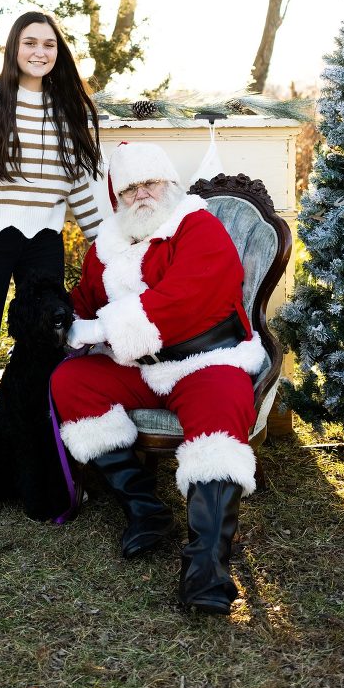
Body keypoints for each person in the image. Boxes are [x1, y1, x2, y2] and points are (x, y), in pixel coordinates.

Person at [51, 141, 267, 615]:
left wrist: (107, 327)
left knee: (218, 425)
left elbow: (188, 297)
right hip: (140, 369)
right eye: (129, 188)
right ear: (117, 198)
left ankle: (207, 567)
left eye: (149, 183)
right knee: (72, 383)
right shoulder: (106, 246)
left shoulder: (198, 226)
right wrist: (60, 315)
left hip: (206, 361)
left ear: (168, 183)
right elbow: (84, 302)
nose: (141, 195)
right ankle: (144, 509)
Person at [0, 11, 104, 518]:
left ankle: (51, 464)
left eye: (48, 45)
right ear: (13, 48)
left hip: (44, 245)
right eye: (29, 43)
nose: (39, 52)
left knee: (45, 357)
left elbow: (82, 191)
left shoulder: (68, 105)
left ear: (59, 52)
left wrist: (110, 252)